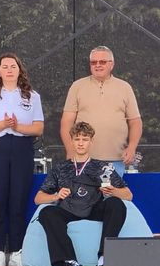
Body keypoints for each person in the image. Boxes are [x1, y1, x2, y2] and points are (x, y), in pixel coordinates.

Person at [35, 121, 133, 266]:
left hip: (93, 208)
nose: (81, 143)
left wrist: (112, 191)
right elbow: (38, 198)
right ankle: (72, 265)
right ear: (72, 141)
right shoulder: (60, 168)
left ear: (91, 141)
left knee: (116, 204)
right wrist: (56, 196)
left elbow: (128, 195)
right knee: (46, 212)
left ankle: (103, 263)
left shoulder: (102, 167)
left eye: (85, 139)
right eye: (77, 139)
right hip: (68, 209)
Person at [0, 53, 44, 266]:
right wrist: (4, 124)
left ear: (19, 70)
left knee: (18, 199)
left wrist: (17, 127)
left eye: (13, 66)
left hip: (22, 148)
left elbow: (38, 128)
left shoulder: (32, 96)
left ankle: (16, 250)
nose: (9, 70)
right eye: (4, 66)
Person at [60, 46, 142, 175]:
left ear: (112, 64)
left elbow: (135, 122)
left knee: (114, 190)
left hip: (116, 161)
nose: (97, 65)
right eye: (93, 62)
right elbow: (66, 122)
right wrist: (70, 151)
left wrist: (132, 148)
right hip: (83, 160)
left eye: (102, 62)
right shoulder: (77, 86)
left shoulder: (125, 87)